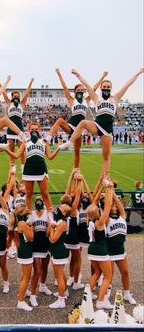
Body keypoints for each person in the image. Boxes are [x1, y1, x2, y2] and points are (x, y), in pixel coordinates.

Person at [60, 68, 144, 176]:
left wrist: (138, 72)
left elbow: (127, 85)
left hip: (107, 130)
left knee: (106, 156)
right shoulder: (96, 98)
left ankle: (105, 175)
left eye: (108, 87)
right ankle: (69, 143)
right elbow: (87, 85)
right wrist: (78, 75)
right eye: (104, 87)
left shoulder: (115, 98)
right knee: (83, 123)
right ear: (101, 88)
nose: (106, 88)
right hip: (97, 125)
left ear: (111, 88)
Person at [46, 69, 108, 167]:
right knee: (60, 120)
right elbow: (65, 87)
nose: (80, 92)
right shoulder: (71, 100)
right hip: (71, 125)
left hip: (79, 129)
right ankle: (48, 139)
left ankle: (76, 170)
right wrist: (59, 74)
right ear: (75, 92)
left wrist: (102, 77)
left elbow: (94, 88)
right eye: (78, 90)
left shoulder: (86, 100)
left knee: (77, 152)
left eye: (81, 90)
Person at [0, 122, 61, 211]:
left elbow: (50, 157)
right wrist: (5, 149)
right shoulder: (25, 143)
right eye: (32, 129)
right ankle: (27, 216)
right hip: (29, 170)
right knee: (28, 194)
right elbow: (16, 155)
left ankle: (51, 216)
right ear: (29, 130)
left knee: (45, 194)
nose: (34, 131)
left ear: (39, 130)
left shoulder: (44, 142)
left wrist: (59, 148)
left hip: (41, 169)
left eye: (36, 129)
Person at [0, 77, 34, 172]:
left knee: (21, 149)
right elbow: (3, 91)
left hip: (19, 127)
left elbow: (27, 93)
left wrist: (30, 82)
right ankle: (12, 165)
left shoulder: (22, 104)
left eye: (17, 96)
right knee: (11, 148)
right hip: (10, 128)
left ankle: (23, 166)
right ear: (12, 97)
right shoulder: (9, 103)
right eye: (14, 96)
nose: (16, 97)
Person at [87, 179, 113, 309]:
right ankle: (101, 301)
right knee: (108, 276)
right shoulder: (100, 222)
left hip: (92, 250)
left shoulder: (89, 220)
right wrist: (109, 188)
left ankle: (88, 295)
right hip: (101, 250)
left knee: (96, 273)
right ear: (96, 212)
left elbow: (93, 202)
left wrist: (102, 188)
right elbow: (107, 207)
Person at [106, 190, 136, 304]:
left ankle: (127, 294)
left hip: (120, 250)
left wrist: (112, 191)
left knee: (125, 272)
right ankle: (107, 293)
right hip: (109, 251)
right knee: (109, 275)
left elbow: (119, 204)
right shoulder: (107, 219)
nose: (114, 206)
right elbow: (108, 206)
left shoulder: (122, 216)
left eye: (115, 205)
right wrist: (108, 191)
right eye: (112, 204)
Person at [29, 196, 51, 307]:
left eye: (40, 199)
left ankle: (42, 286)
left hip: (46, 243)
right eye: (36, 199)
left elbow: (48, 232)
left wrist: (49, 226)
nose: (38, 201)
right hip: (35, 244)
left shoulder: (47, 214)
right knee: (37, 271)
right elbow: (31, 231)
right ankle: (32, 294)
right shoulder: (31, 214)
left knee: (45, 267)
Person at [49, 203, 71, 309]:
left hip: (59, 250)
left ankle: (61, 300)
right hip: (57, 250)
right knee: (61, 274)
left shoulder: (62, 223)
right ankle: (64, 292)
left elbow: (53, 239)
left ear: (64, 212)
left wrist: (52, 228)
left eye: (61, 208)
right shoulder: (59, 221)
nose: (59, 208)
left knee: (58, 277)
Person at [15, 204, 34, 311]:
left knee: (25, 275)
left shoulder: (22, 222)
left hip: (25, 249)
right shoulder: (22, 224)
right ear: (21, 213)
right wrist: (30, 227)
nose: (28, 209)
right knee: (27, 277)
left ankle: (22, 293)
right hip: (25, 250)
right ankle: (21, 301)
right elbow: (31, 238)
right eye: (26, 209)